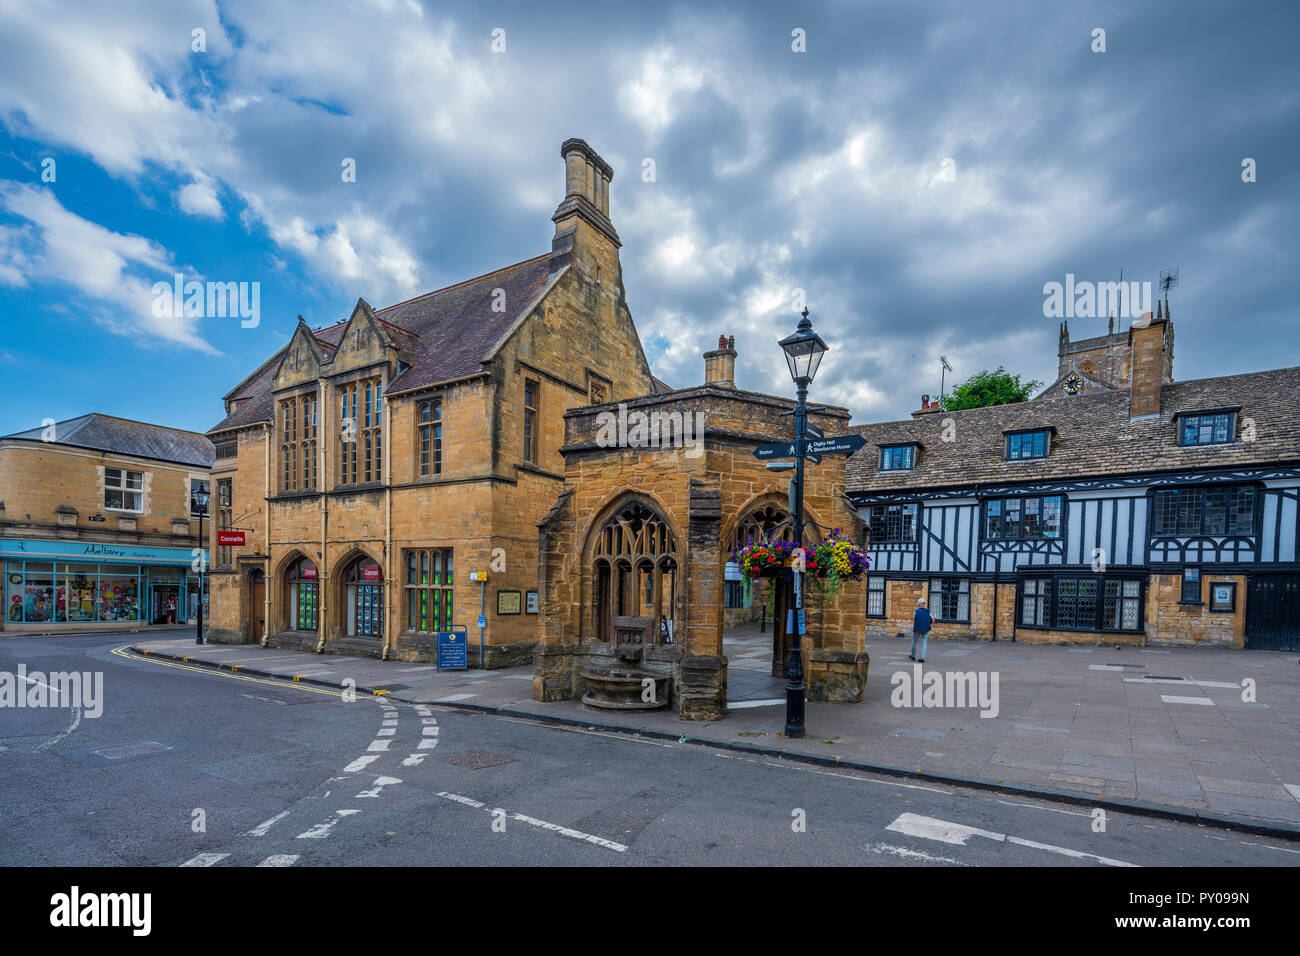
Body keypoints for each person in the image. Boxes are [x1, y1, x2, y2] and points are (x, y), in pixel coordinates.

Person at [909, 597, 931, 663]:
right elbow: (932, 619)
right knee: (924, 643)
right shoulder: (928, 611)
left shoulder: (916, 611)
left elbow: (914, 618)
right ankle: (922, 658)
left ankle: (913, 656)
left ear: (918, 604)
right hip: (926, 628)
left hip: (917, 628)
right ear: (924, 604)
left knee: (914, 641)